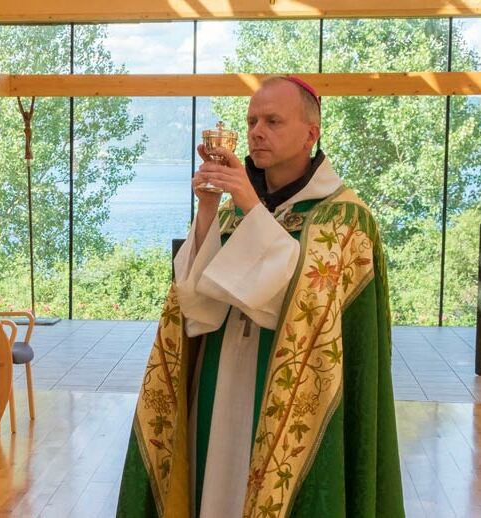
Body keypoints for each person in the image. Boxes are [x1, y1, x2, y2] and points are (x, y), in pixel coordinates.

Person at [115, 76, 404, 518]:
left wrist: (250, 205)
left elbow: (305, 306)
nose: (256, 131)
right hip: (223, 376)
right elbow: (194, 303)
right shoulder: (233, 207)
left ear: (311, 133)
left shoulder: (346, 218)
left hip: (294, 403)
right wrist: (210, 208)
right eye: (252, 120)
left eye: (272, 120)